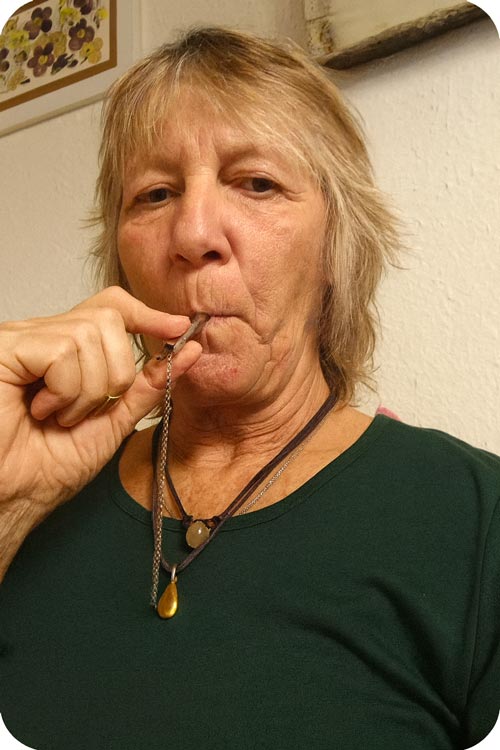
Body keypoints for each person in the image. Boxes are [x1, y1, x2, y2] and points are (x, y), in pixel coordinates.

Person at [0, 26, 499, 750]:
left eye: (257, 183)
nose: (193, 233)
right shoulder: (33, 488)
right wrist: (9, 506)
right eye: (155, 194)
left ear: (336, 250)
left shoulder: (477, 520)